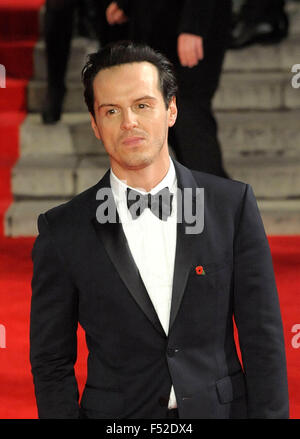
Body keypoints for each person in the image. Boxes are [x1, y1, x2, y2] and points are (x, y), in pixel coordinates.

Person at [30, 41, 289, 419]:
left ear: (171, 109)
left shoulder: (229, 207)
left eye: (142, 105)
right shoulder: (63, 229)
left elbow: (262, 340)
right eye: (112, 110)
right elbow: (51, 362)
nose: (129, 122)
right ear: (95, 125)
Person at [105, 0, 232, 178]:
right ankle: (218, 199)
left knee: (188, 118)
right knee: (168, 123)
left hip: (188, 26)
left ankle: (219, 201)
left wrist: (193, 25)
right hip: (155, 25)